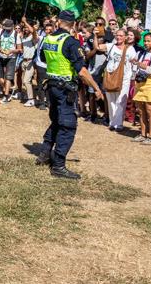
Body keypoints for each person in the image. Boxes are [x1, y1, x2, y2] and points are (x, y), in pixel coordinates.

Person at [35, 10, 104, 179]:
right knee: (68, 126)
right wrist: (96, 88)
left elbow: (44, 59)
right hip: (65, 89)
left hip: (51, 86)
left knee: (57, 120)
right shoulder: (71, 42)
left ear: (58, 22)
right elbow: (81, 71)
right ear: (73, 25)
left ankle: (44, 153)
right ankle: (58, 165)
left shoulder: (48, 38)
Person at [94, 28, 136, 132]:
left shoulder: (130, 49)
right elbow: (97, 47)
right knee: (111, 100)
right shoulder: (111, 46)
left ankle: (119, 124)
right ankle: (112, 123)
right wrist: (95, 36)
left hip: (124, 78)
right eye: (117, 35)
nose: (118, 37)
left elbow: (134, 63)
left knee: (121, 100)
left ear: (125, 37)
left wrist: (134, 77)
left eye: (121, 35)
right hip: (110, 76)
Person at [0, 19, 22, 102]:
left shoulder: (16, 35)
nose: (7, 30)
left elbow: (20, 49)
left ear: (12, 27)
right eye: (6, 28)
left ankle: (6, 95)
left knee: (8, 77)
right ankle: (7, 88)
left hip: (11, 58)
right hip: (0, 56)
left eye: (8, 28)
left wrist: (11, 51)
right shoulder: (1, 31)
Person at [20, 17, 39, 107]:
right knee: (26, 81)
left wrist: (25, 22)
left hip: (31, 61)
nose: (25, 29)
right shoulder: (24, 37)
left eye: (27, 27)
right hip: (24, 61)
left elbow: (33, 31)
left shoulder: (33, 36)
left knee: (26, 81)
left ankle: (31, 100)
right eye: (25, 27)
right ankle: (30, 96)